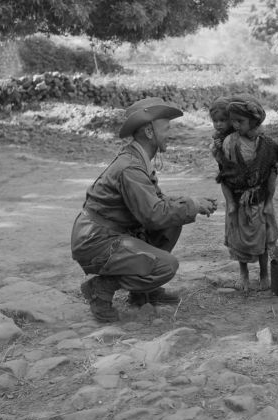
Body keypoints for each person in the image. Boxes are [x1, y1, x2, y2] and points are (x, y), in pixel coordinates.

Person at [71, 97, 218, 323]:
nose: (171, 134)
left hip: (107, 234)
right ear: (149, 132)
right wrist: (193, 205)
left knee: (173, 221)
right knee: (167, 266)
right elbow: (153, 215)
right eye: (166, 128)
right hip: (96, 241)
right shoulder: (131, 167)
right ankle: (100, 289)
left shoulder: (137, 159)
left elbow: (155, 204)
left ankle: (141, 292)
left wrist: (190, 203)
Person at [217, 95, 278, 292]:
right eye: (234, 121)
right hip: (239, 200)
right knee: (239, 238)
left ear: (254, 122)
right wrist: (231, 201)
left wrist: (268, 200)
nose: (236, 125)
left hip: (260, 199)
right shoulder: (230, 143)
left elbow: (272, 172)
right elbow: (224, 174)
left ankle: (264, 274)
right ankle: (244, 274)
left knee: (263, 237)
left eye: (241, 121)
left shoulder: (266, 145)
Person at [208, 96, 236, 211]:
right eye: (215, 121)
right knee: (224, 181)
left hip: (236, 166)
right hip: (225, 166)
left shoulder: (236, 131)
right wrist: (218, 147)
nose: (218, 124)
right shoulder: (218, 135)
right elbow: (218, 155)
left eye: (222, 120)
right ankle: (230, 202)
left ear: (231, 119)